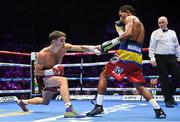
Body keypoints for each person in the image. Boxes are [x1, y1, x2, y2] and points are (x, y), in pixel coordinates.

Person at [86, 5, 166, 119]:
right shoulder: (140, 25)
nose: (121, 18)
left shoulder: (131, 18)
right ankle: (158, 110)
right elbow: (127, 37)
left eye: (121, 15)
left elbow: (127, 34)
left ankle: (99, 106)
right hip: (137, 56)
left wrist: (110, 44)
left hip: (126, 55)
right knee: (139, 86)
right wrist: (118, 29)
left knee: (103, 75)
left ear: (127, 12)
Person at [16, 30, 100, 118]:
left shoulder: (64, 47)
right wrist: (51, 71)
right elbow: (36, 72)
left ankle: (23, 102)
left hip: (54, 76)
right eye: (61, 40)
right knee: (63, 80)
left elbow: (81, 47)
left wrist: (94, 48)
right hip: (42, 78)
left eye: (64, 40)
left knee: (45, 102)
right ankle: (69, 109)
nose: (64, 43)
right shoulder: (43, 54)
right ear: (53, 41)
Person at [148, 16, 180, 108]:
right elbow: (152, 47)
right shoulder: (155, 33)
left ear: (167, 23)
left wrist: (179, 56)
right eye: (159, 23)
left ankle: (170, 96)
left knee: (177, 77)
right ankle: (167, 100)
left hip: (172, 57)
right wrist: (152, 58)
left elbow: (177, 46)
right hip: (160, 59)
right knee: (164, 80)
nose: (161, 24)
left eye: (163, 22)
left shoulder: (172, 33)